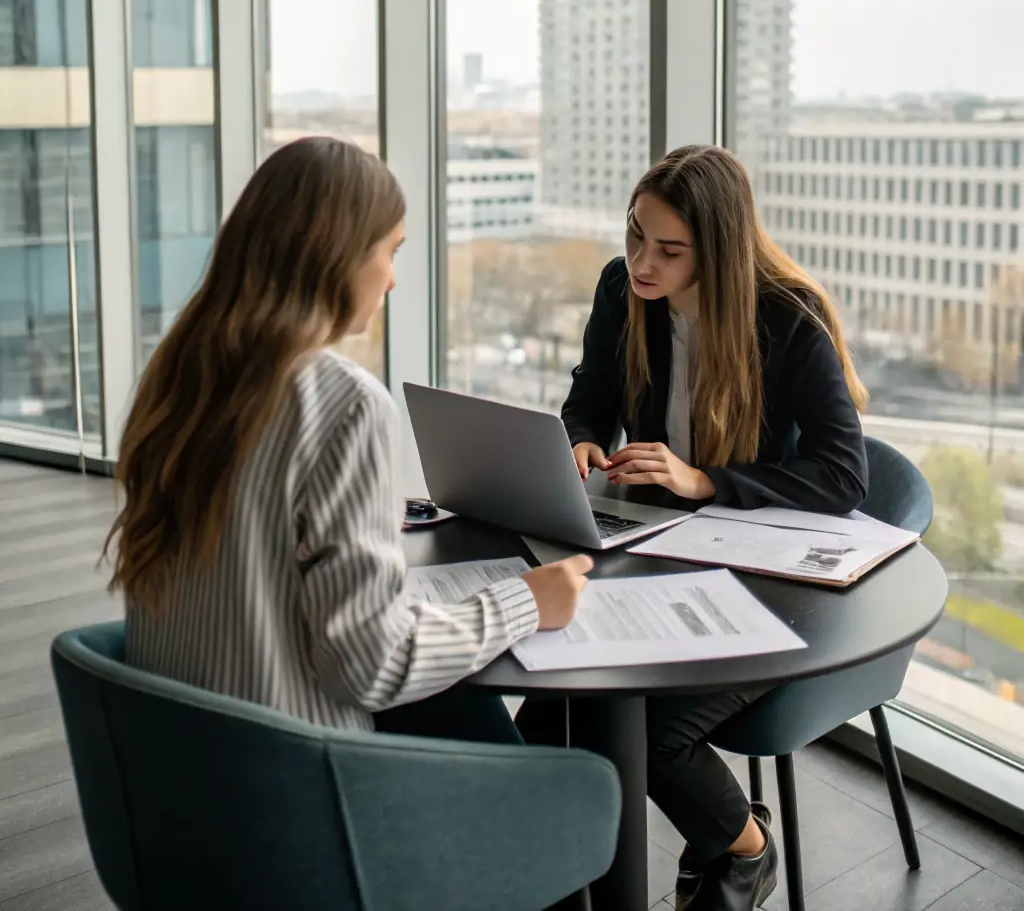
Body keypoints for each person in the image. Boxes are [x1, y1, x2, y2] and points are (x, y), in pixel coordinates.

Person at [105, 137, 592, 749]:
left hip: (177, 765)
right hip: (297, 782)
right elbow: (372, 666)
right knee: (558, 775)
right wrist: (525, 602)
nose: (391, 278)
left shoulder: (177, 374)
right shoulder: (342, 401)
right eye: (390, 251)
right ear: (334, 256)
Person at [518, 144, 868, 911]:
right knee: (548, 714)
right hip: (660, 551)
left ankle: (747, 849)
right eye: (636, 234)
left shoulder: (788, 319)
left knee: (642, 727)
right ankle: (564, 885)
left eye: (669, 250)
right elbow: (591, 393)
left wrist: (706, 479)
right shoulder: (624, 288)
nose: (642, 261)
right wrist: (581, 437)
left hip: (767, 578)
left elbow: (845, 476)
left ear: (718, 250)